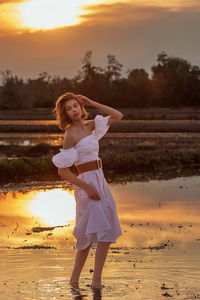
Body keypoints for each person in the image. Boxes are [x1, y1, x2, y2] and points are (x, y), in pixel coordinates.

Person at [52, 92, 123, 290]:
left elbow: (118, 116)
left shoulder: (92, 125)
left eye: (75, 106)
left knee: (104, 233)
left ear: (80, 107)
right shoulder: (70, 135)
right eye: (68, 108)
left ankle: (92, 281)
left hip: (100, 179)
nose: (73, 110)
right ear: (65, 113)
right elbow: (62, 170)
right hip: (87, 183)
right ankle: (79, 281)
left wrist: (92, 102)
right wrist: (87, 187)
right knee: (89, 236)